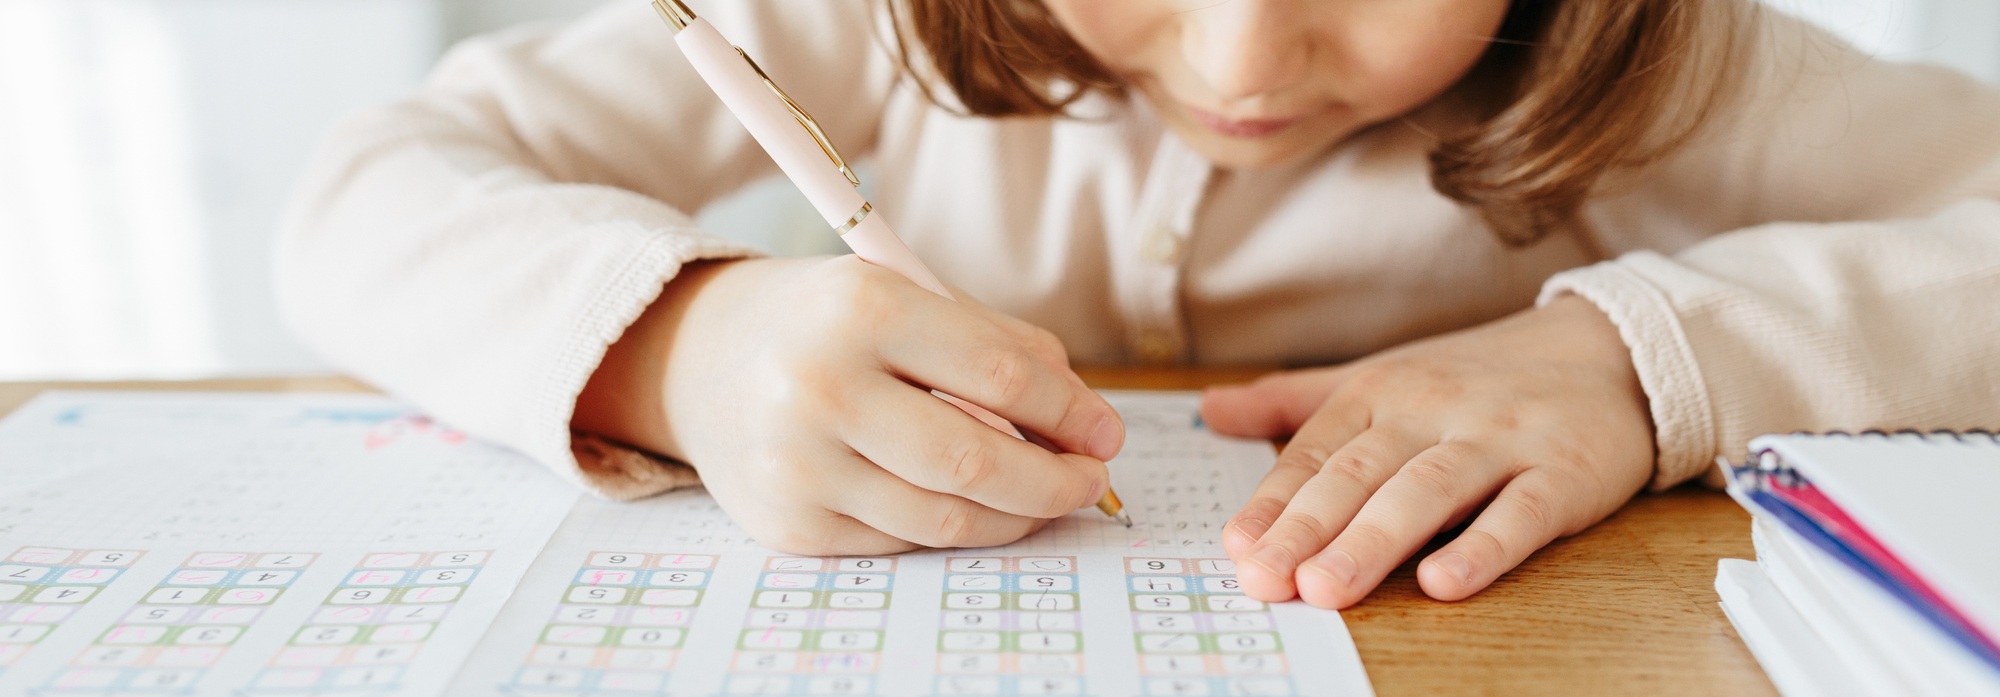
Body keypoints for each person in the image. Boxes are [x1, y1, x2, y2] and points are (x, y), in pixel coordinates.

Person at [275, 0, 2000, 609]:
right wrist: (681, 345)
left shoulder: (1666, 55)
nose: (1243, 54)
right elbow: (363, 194)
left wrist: (1637, 362)